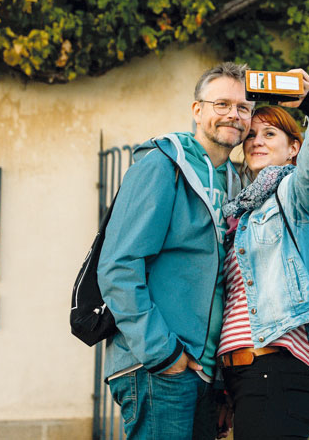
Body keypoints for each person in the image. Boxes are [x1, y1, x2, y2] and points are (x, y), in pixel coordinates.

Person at [97, 61, 254, 440]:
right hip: (159, 366)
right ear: (197, 110)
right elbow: (119, 266)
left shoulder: (235, 183)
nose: (234, 114)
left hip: (203, 372)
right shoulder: (162, 165)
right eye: (222, 104)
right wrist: (163, 354)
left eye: (244, 108)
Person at [214, 69, 309, 439]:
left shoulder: (295, 197)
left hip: (276, 373)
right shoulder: (238, 211)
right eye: (251, 134)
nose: (256, 140)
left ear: (294, 148)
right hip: (240, 377)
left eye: (270, 134)